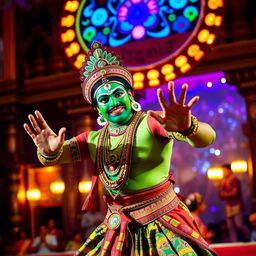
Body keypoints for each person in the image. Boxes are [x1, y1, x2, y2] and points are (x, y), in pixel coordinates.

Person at [24, 41, 217, 256]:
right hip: (118, 229)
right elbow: (55, 157)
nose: (112, 102)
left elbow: (207, 138)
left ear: (130, 94)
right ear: (98, 108)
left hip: (162, 223)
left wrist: (188, 126)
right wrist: (49, 151)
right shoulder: (93, 139)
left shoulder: (151, 122)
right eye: (104, 99)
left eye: (117, 94)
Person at [217, 163, 250, 242]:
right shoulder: (224, 183)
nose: (223, 173)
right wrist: (218, 188)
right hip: (228, 205)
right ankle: (234, 242)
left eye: (224, 171)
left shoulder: (235, 180)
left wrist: (225, 194)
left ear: (229, 170)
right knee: (230, 226)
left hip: (236, 204)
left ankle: (250, 237)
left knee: (239, 224)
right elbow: (221, 197)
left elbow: (234, 193)